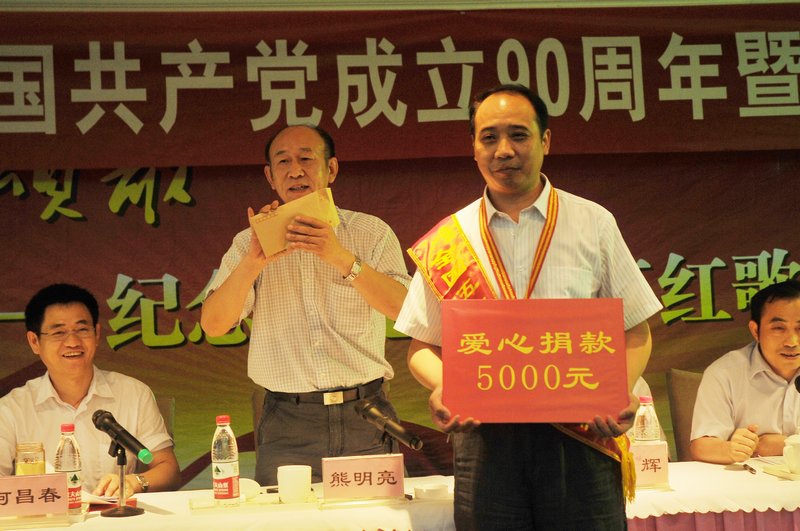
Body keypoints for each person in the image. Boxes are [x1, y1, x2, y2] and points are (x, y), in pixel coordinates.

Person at [394, 84, 662, 530]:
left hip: (581, 436)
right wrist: (447, 387)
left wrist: (619, 391)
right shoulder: (450, 237)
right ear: (474, 147)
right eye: (489, 137)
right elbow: (422, 346)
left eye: (518, 135)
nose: (504, 150)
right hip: (486, 442)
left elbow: (635, 330)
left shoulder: (593, 222)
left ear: (545, 141)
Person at [200, 124, 411, 485]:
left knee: (377, 512)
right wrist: (253, 262)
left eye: (306, 159)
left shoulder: (371, 232)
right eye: (283, 162)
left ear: (331, 169)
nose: (295, 171)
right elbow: (214, 325)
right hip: (288, 423)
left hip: (366, 415)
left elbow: (405, 311)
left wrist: (339, 256)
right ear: (270, 177)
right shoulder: (248, 243)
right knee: (287, 513)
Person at [0, 283, 181, 496]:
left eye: (82, 330)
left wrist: (134, 482)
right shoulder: (11, 409)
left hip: (115, 515)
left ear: (96, 334)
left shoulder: (133, 393)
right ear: (34, 342)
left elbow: (168, 469)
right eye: (58, 332)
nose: (72, 342)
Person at [690, 279, 800, 464]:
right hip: (748, 478)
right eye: (779, 328)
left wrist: (784, 444)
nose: (792, 342)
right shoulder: (724, 373)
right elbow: (701, 446)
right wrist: (729, 449)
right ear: (755, 331)